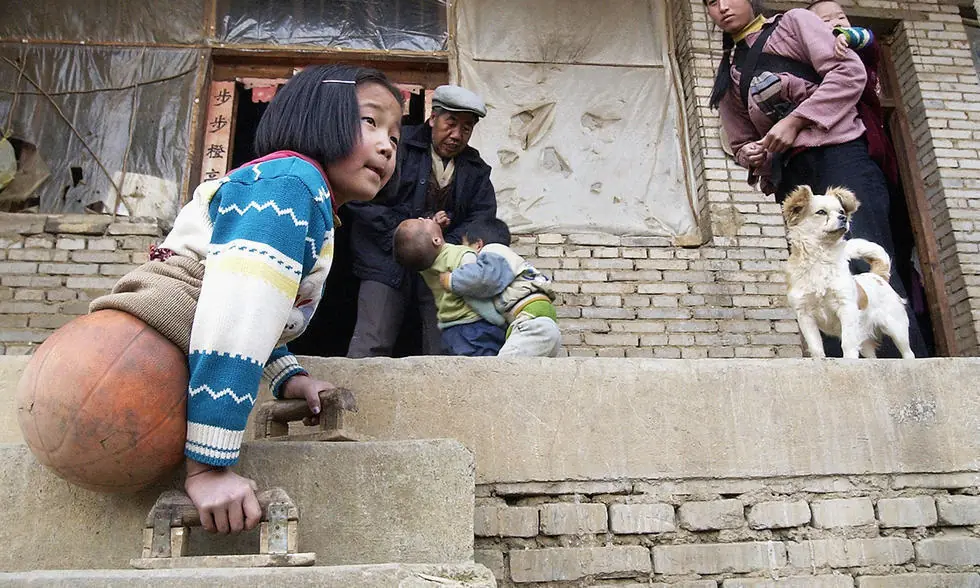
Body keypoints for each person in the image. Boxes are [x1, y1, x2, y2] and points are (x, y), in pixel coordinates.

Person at [89, 64, 403, 532]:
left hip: (115, 361)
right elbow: (236, 315)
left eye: (396, 137)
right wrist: (209, 467)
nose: (387, 145)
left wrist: (287, 377)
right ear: (317, 113)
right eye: (370, 121)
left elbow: (257, 306)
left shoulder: (289, 185)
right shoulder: (291, 185)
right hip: (122, 372)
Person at [704, 0, 927, 357]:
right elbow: (740, 139)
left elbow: (848, 74)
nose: (722, 8)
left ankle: (904, 373)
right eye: (711, 3)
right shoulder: (730, 69)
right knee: (816, 278)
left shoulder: (795, 23)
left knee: (862, 263)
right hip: (794, 177)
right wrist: (755, 153)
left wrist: (794, 121)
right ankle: (844, 379)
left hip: (840, 155)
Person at [346, 85, 497, 358]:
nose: (456, 135)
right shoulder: (396, 145)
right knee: (373, 341)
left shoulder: (476, 169)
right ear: (432, 117)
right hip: (384, 260)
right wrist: (406, 232)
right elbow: (360, 197)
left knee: (443, 346)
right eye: (450, 123)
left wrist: (442, 246)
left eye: (466, 128)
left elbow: (482, 217)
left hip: (441, 267)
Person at [441, 218, 562, 357]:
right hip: (540, 323)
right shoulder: (508, 262)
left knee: (502, 369)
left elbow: (483, 279)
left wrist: (451, 280)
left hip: (532, 324)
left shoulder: (494, 250)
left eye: (465, 247)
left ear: (479, 244)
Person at [392, 217, 505, 356]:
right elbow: (479, 282)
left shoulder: (426, 267)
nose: (423, 218)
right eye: (422, 222)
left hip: (449, 329)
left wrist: (434, 227)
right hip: (475, 326)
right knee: (482, 369)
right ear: (436, 240)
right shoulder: (461, 255)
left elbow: (425, 248)